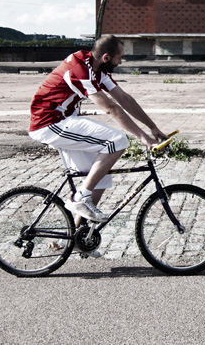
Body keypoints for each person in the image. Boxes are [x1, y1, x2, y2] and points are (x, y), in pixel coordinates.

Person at [28, 35, 166, 224]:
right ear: (106, 58)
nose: (121, 61)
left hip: (65, 121)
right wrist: (143, 137)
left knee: (100, 176)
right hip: (50, 123)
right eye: (119, 57)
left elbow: (124, 99)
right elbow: (111, 108)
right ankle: (79, 198)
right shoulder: (80, 69)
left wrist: (153, 128)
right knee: (117, 140)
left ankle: (76, 237)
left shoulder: (97, 69)